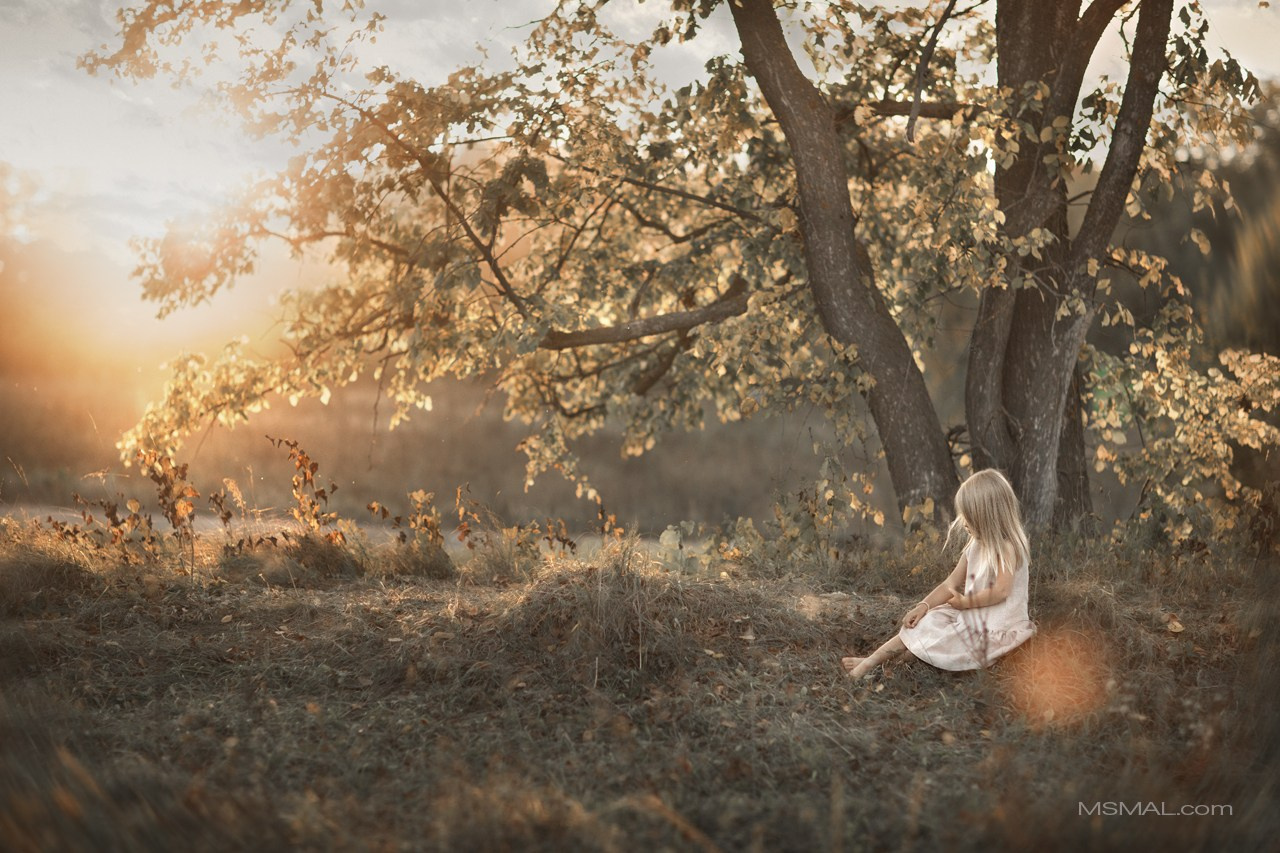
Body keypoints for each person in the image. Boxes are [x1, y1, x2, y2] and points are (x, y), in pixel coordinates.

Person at [841, 469, 1036, 680]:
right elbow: (949, 583)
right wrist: (923, 606)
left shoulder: (1007, 548)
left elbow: (1001, 591)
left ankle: (878, 664)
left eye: (968, 517)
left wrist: (965, 603)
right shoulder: (976, 546)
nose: (963, 523)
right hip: (971, 619)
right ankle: (872, 661)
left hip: (995, 629)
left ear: (985, 517)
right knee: (928, 620)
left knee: (933, 642)